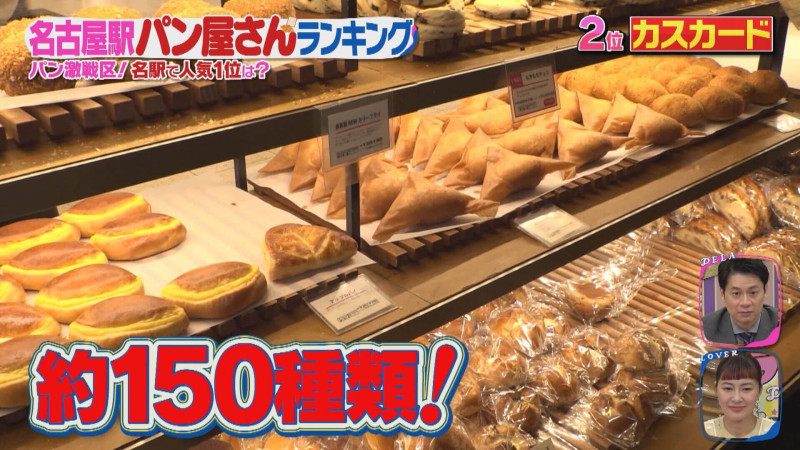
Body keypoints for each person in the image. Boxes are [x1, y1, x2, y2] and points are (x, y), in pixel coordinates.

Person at [702, 258, 779, 346]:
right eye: (736, 293)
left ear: (765, 291)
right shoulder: (706, 327)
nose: (745, 303)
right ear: (723, 294)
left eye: (753, 292)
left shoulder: (781, 322)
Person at [704, 353, 776, 439]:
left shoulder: (772, 429)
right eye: (728, 388)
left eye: (746, 389)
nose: (736, 398)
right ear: (716, 389)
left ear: (760, 390)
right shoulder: (705, 431)